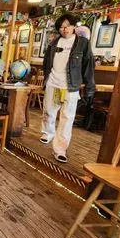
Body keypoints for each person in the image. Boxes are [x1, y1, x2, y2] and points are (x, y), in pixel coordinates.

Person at [40, 13, 95, 163]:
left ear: (74, 26)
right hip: (53, 82)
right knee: (49, 111)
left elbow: (88, 65)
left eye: (67, 26)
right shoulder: (53, 43)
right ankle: (48, 132)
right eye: (61, 27)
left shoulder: (82, 43)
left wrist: (89, 87)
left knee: (67, 118)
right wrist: (46, 79)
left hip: (71, 86)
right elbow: (46, 63)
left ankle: (60, 149)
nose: (64, 29)